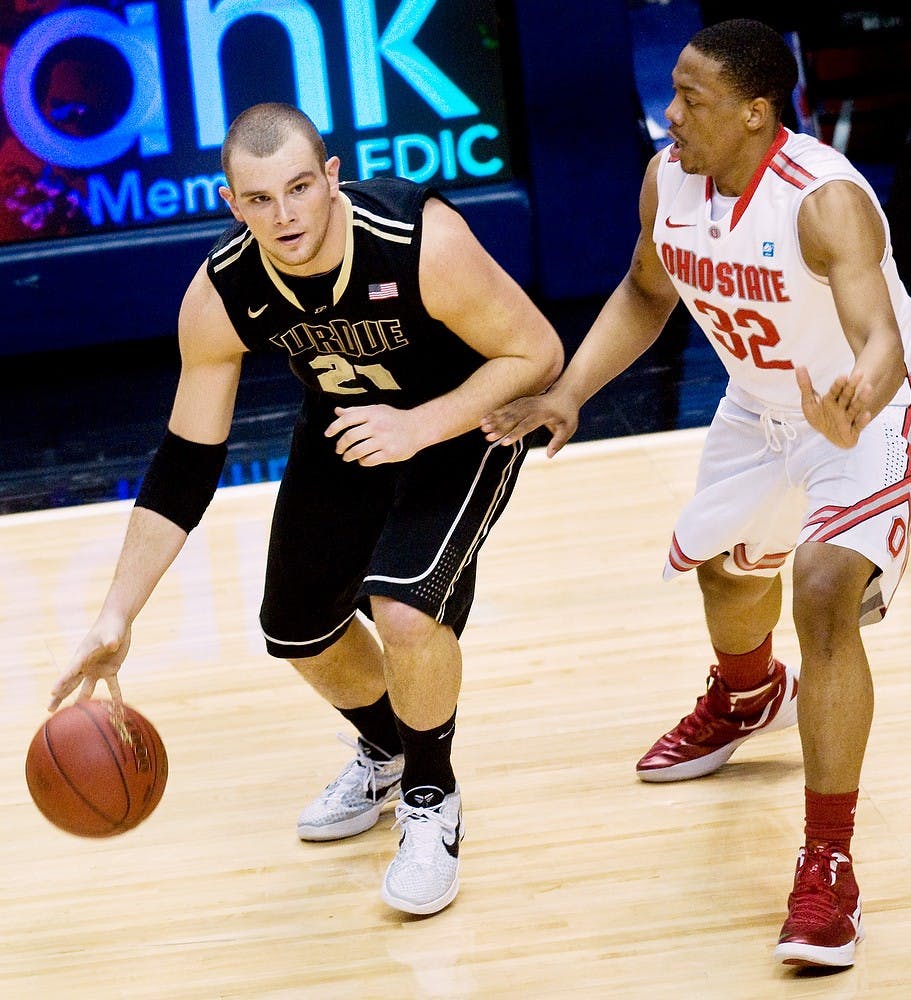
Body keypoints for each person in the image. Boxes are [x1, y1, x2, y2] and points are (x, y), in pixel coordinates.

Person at [482, 18, 911, 969]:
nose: (669, 113)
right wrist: (568, 395)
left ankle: (828, 866)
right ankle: (746, 694)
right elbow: (647, 293)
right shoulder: (667, 181)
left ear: (758, 112)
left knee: (819, 590)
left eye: (691, 98)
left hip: (864, 407)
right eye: (671, 93)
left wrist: (858, 399)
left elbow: (881, 337)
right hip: (759, 405)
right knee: (728, 578)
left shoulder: (826, 201)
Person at [48, 102, 563, 916]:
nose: (284, 216)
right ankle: (389, 751)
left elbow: (536, 351)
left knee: (402, 611)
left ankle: (433, 797)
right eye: (259, 200)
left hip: (463, 419)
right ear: (231, 204)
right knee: (295, 628)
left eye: (298, 188)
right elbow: (185, 463)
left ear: (331, 179)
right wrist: (117, 615)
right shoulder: (222, 294)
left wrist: (420, 426)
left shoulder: (417, 242)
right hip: (348, 426)